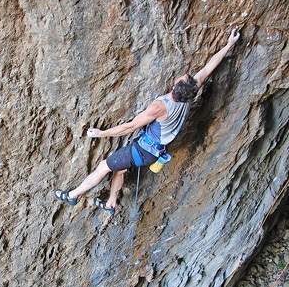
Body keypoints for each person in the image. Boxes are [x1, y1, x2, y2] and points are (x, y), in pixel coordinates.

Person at [55, 28, 240, 215]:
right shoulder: (189, 93)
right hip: (152, 152)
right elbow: (209, 68)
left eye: (184, 77)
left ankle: (73, 195)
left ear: (176, 85)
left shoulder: (160, 107)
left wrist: (102, 133)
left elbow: (130, 126)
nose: (186, 75)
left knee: (104, 166)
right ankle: (111, 203)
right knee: (119, 170)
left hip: (142, 150)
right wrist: (229, 45)